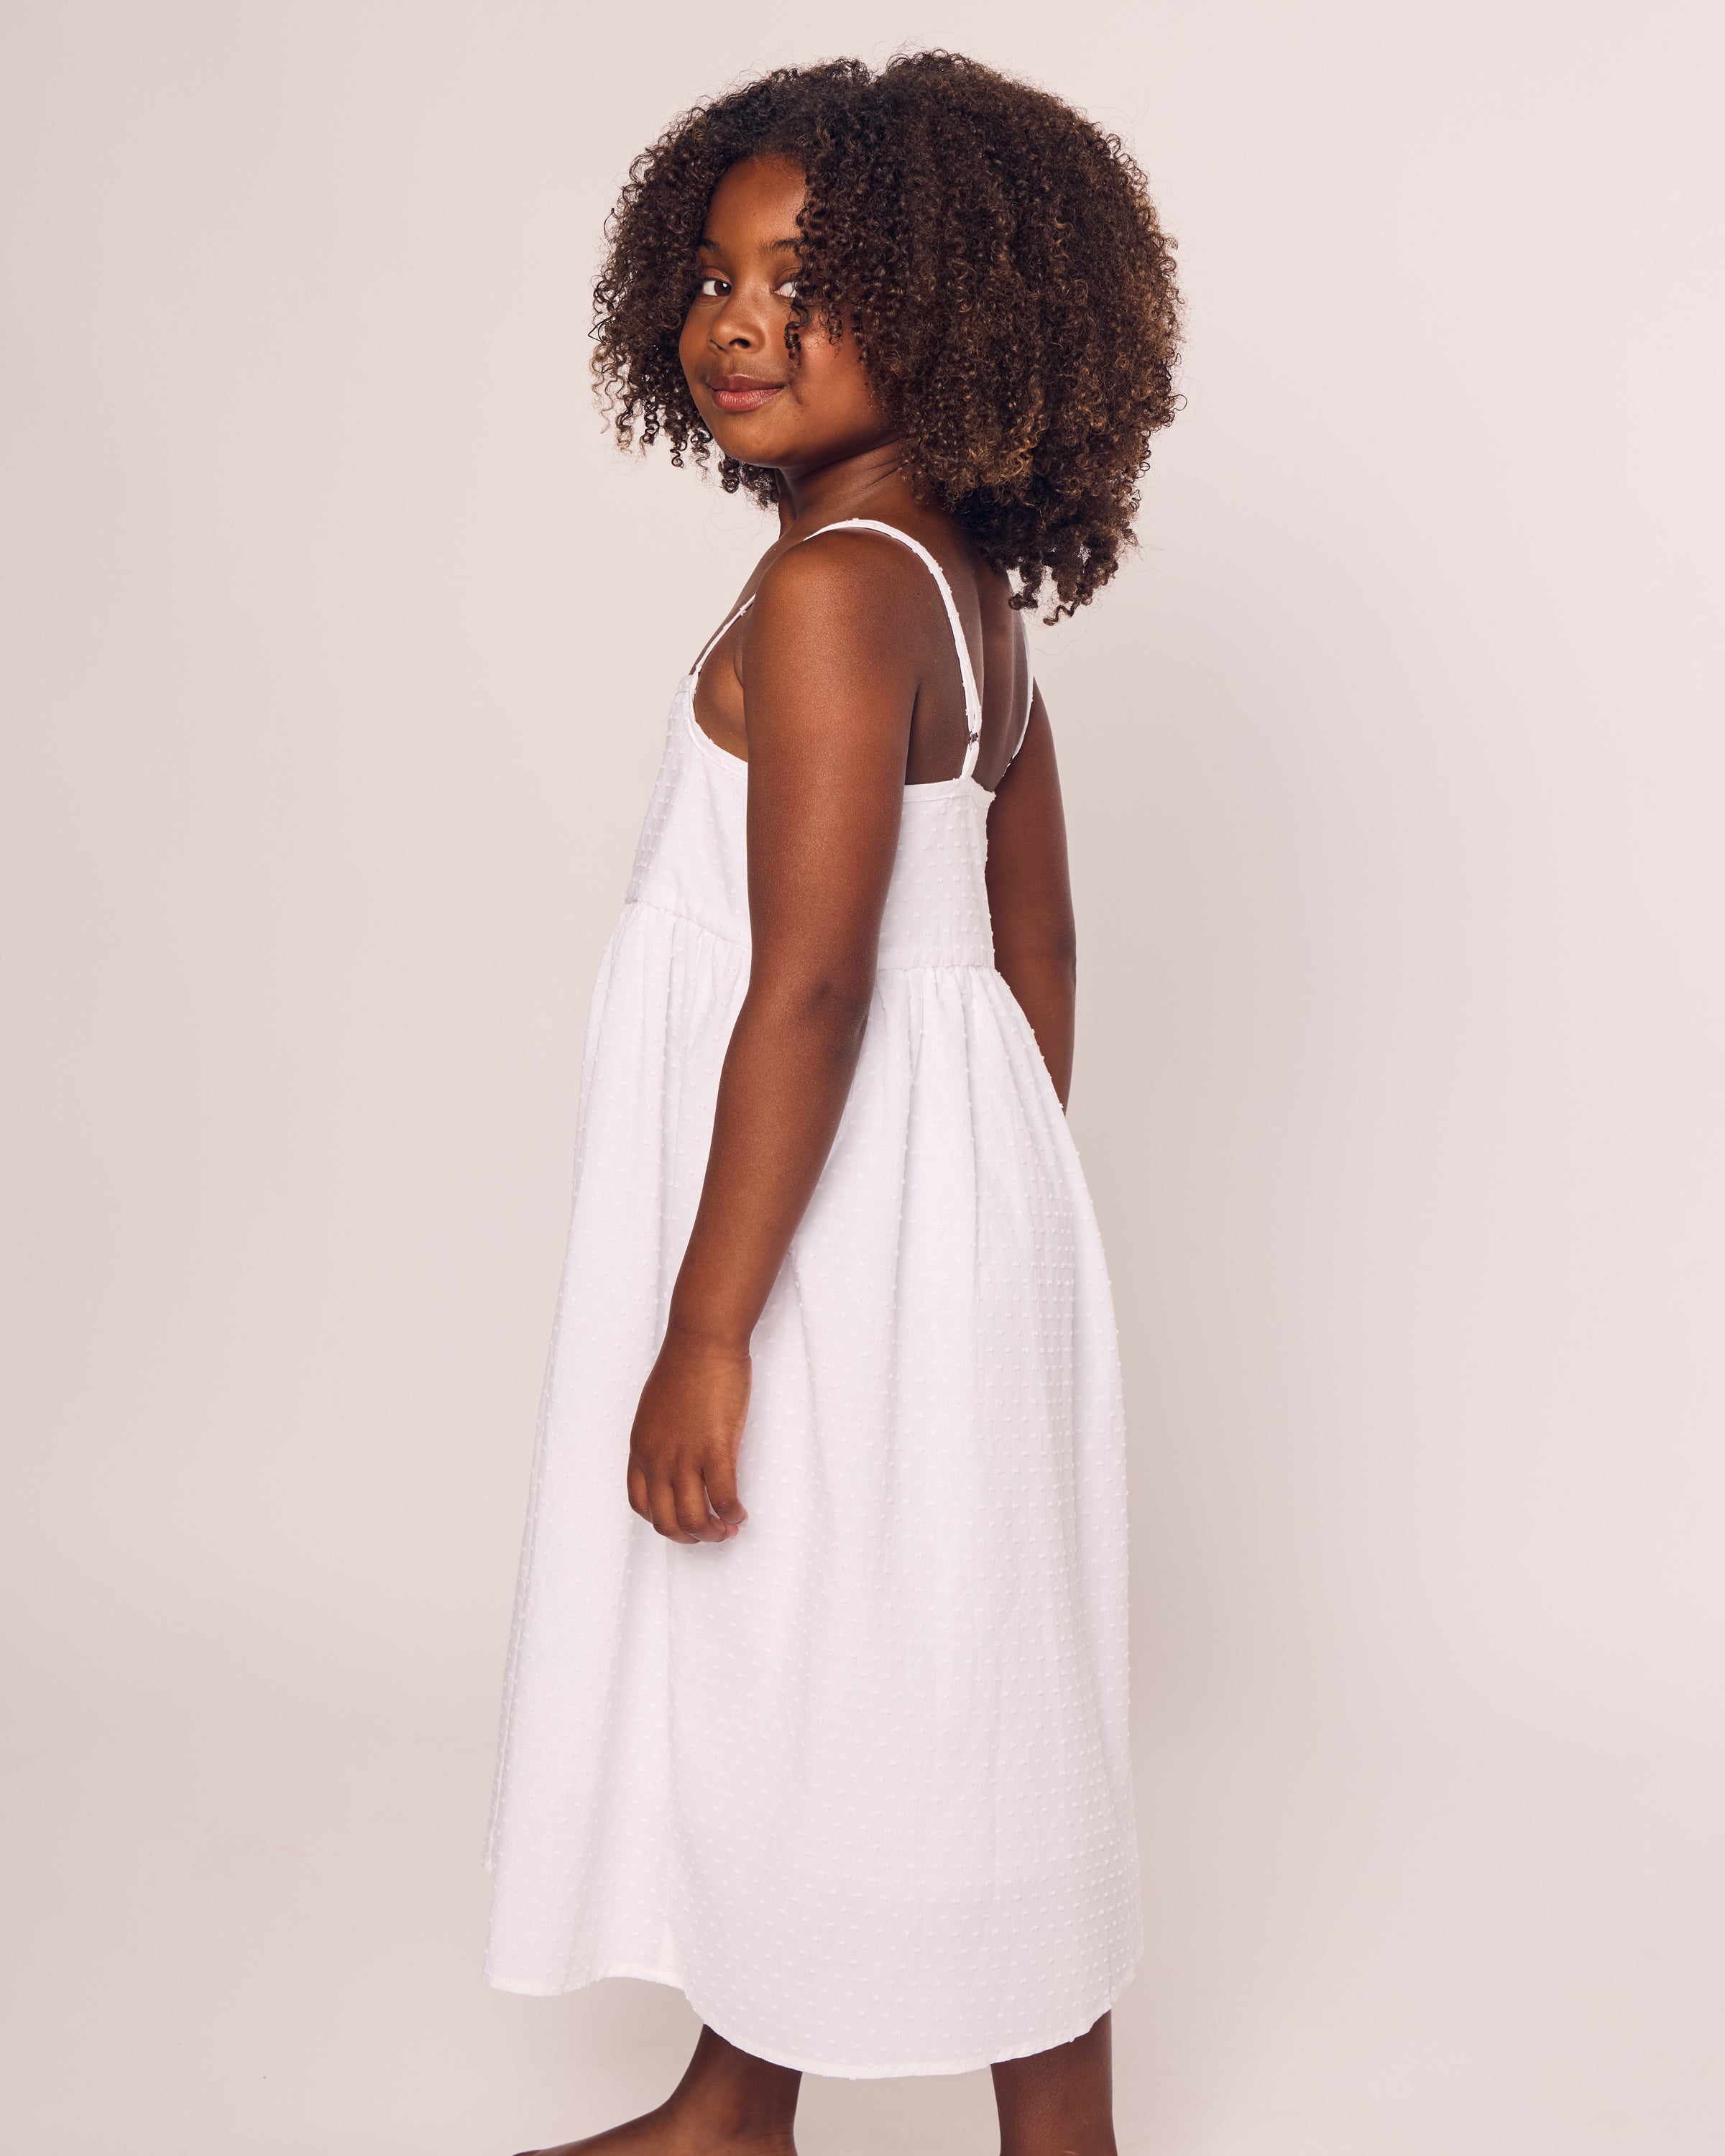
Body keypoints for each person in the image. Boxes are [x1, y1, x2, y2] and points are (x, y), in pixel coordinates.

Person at [484, 52, 1182, 2156]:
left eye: (811, 279)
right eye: (711, 277)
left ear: (958, 308)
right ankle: (745, 2102)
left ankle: (819, 2115)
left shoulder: (824, 594)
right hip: (933, 1215)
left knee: (814, 1648)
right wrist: (976, 1209)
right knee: (934, 1663)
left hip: (793, 1218)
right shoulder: (972, 602)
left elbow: (803, 978)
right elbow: (1032, 947)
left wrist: (710, 1326)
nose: (738, 322)